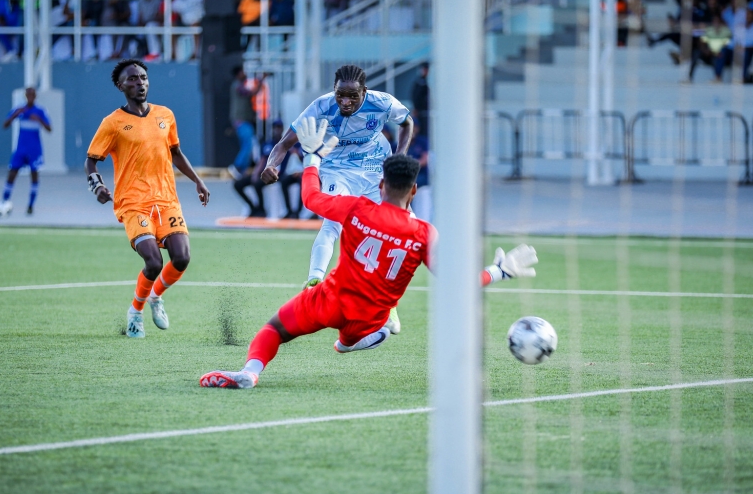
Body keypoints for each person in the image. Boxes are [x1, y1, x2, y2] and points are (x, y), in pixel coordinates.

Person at [200, 125, 538, 390]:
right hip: (372, 316)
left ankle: (250, 373)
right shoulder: (424, 233)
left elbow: (311, 198)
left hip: (329, 299)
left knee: (273, 330)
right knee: (351, 338)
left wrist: (313, 157)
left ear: (381, 185)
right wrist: (499, 271)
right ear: (415, 190)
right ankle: (354, 340)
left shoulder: (357, 209)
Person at [259, 64, 414, 332]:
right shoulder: (320, 106)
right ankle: (314, 282)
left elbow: (407, 123)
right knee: (332, 223)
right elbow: (284, 143)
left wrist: (399, 155)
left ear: (364, 91)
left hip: (375, 166)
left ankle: (388, 304)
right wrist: (271, 165)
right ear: (334, 90)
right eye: (340, 94)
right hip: (337, 170)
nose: (345, 101)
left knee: (386, 230)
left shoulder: (383, 103)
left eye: (352, 96)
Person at [86, 59, 211, 338]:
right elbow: (91, 161)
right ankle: (135, 312)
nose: (139, 82)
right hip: (133, 202)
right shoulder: (113, 123)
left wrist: (197, 180)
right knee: (153, 262)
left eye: (142, 77)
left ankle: (156, 297)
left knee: (182, 257)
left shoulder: (165, 114)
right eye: (131, 79)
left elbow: (176, 153)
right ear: (121, 86)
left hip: (166, 199)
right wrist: (97, 187)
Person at [0, 87, 51, 217]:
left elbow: (49, 128)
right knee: (12, 173)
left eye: (32, 94)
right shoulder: (19, 109)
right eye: (28, 94)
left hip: (34, 150)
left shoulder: (40, 111)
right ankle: (4, 200)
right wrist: (14, 115)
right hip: (21, 148)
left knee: (34, 175)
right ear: (25, 96)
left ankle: (30, 205)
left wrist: (39, 120)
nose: (30, 96)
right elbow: (5, 125)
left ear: (35, 96)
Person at [234, 120, 303, 218]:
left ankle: (290, 212)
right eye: (275, 128)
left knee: (263, 183)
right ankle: (257, 209)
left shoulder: (289, 144)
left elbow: (298, 156)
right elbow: (262, 160)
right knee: (241, 183)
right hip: (268, 170)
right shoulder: (268, 144)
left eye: (279, 128)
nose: (277, 130)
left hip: (280, 173)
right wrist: (255, 172)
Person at [227, 66, 264, 179]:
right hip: (241, 121)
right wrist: (261, 80)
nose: (245, 73)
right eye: (242, 71)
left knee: (246, 144)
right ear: (238, 74)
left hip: (243, 121)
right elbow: (251, 93)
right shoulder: (237, 86)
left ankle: (242, 171)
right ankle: (236, 167)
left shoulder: (239, 85)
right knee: (248, 144)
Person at [410, 62, 429, 128]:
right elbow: (415, 95)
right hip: (421, 111)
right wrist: (416, 108)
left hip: (427, 110)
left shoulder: (427, 81)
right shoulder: (419, 82)